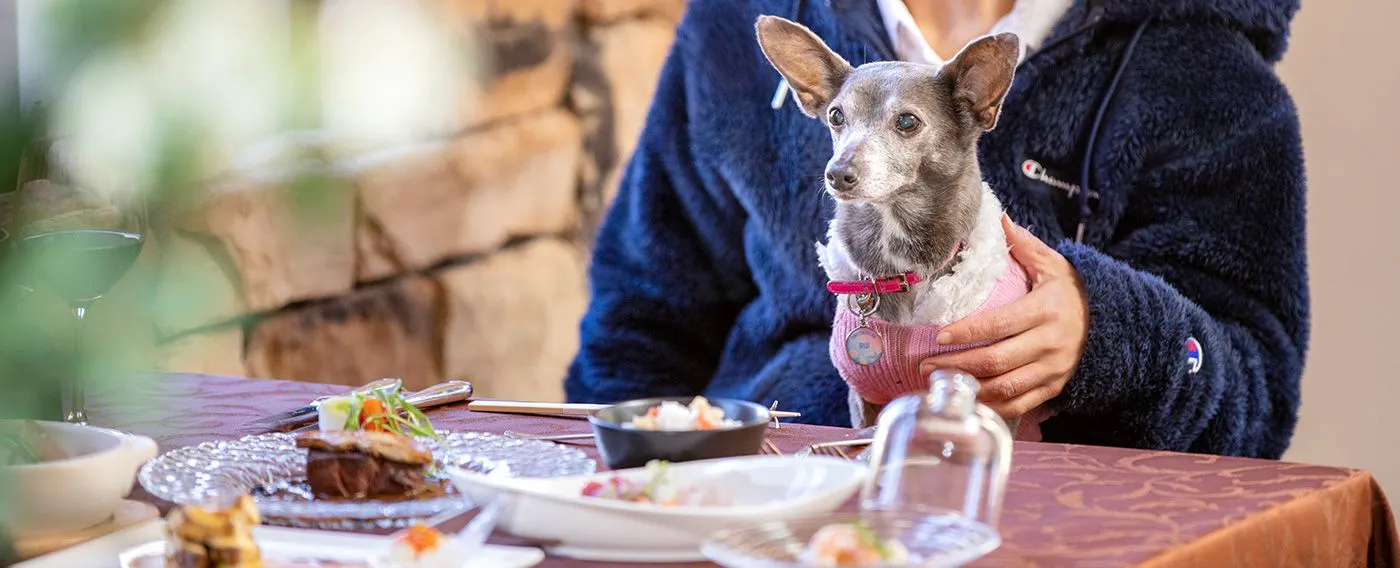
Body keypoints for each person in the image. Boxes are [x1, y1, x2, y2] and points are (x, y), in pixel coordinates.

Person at [564, 0, 1307, 459]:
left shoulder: (1207, 74)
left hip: (1046, 535)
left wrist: (1115, 334)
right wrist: (615, 495)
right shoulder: (737, 27)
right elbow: (640, 321)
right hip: (760, 515)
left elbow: (1255, 396)